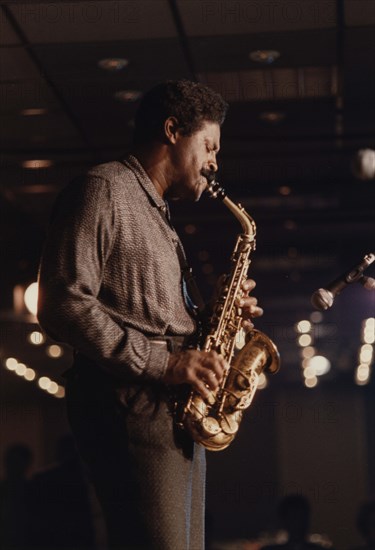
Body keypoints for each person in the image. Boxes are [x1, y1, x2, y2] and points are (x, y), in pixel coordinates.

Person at [37, 80, 263, 550]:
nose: (214, 162)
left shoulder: (158, 213)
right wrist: (165, 364)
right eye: (209, 146)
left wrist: (218, 312)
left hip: (174, 409)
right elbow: (61, 302)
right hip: (133, 406)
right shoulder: (104, 188)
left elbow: (154, 313)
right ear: (172, 131)